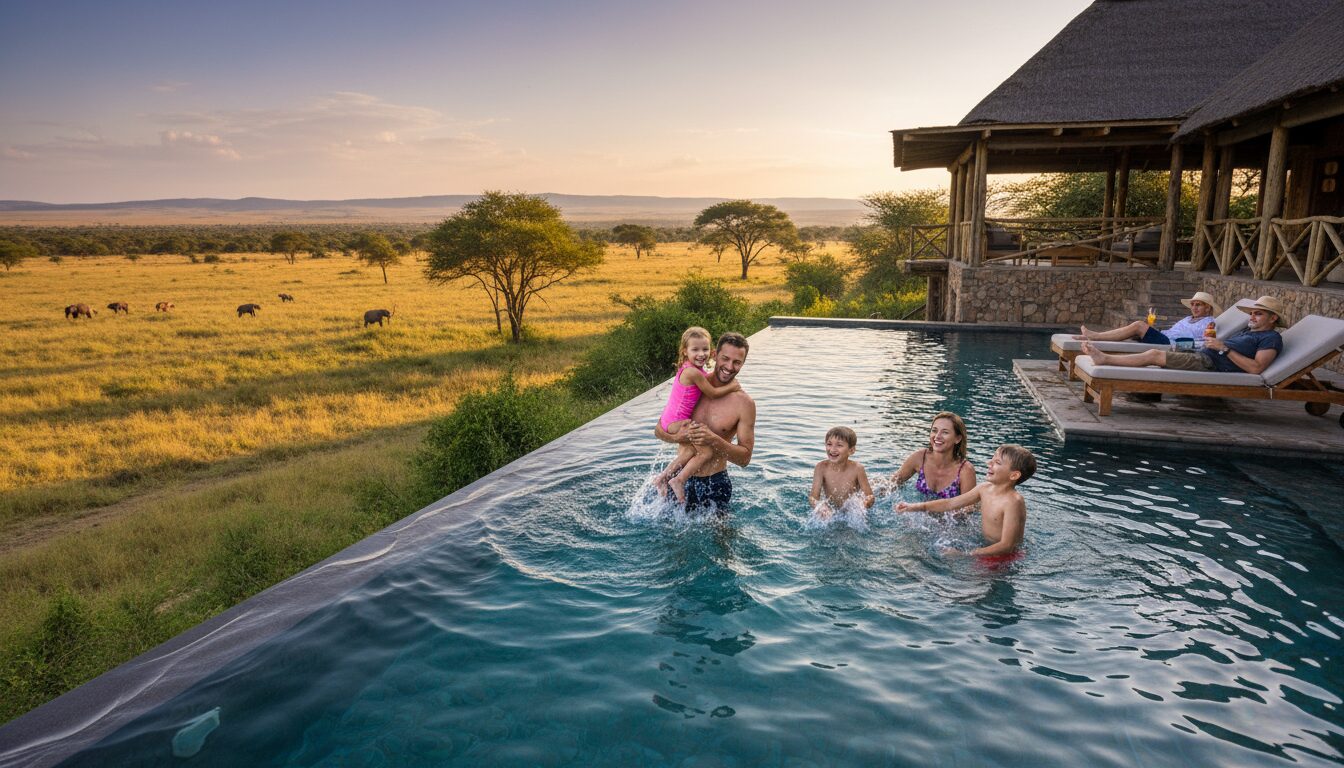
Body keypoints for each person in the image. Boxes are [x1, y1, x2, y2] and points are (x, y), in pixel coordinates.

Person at [654, 332, 756, 514]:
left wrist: (713, 440)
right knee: (669, 540)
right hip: (677, 478)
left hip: (715, 483)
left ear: (743, 363)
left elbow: (744, 459)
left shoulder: (744, 404)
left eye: (737, 362)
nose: (729, 367)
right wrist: (678, 436)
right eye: (725, 359)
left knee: (721, 540)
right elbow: (659, 430)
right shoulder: (692, 384)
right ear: (715, 355)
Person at [1081, 295, 1285, 375]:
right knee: (1155, 353)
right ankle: (1104, 355)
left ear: (1273, 318)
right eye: (1252, 313)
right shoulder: (1248, 331)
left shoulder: (1270, 338)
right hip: (1201, 353)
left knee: (1153, 354)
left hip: (1209, 362)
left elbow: (1257, 368)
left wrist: (1224, 348)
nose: (1253, 317)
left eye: (1258, 314)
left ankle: (1104, 358)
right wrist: (1185, 346)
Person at [896, 444, 1037, 557]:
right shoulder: (984, 489)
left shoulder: (1013, 502)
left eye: (997, 462)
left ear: (1014, 475)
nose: (989, 463)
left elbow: (1007, 545)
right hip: (987, 547)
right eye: (992, 459)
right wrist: (916, 506)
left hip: (1005, 557)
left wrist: (966, 554)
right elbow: (951, 503)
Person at [1075, 291, 1219, 348]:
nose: (1194, 307)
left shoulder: (1209, 323)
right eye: (1193, 304)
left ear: (1207, 308)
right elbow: (1173, 330)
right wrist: (1154, 329)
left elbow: (1204, 343)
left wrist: (1180, 346)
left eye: (1198, 305)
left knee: (1138, 325)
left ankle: (1096, 336)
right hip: (1165, 337)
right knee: (1137, 330)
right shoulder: (1187, 318)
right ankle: (1096, 338)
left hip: (1172, 344)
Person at [890, 411, 976, 501]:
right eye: (934, 430)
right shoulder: (920, 458)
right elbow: (892, 484)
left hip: (947, 514)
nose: (937, 436)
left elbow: (969, 508)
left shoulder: (965, 470)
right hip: (917, 513)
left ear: (957, 439)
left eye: (945, 432)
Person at [809, 426, 875, 519]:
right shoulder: (821, 468)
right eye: (829, 444)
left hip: (851, 513)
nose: (832, 449)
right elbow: (813, 497)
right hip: (831, 512)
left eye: (839, 445)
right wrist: (821, 507)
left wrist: (862, 504)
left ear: (851, 450)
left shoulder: (857, 469)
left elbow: (870, 496)